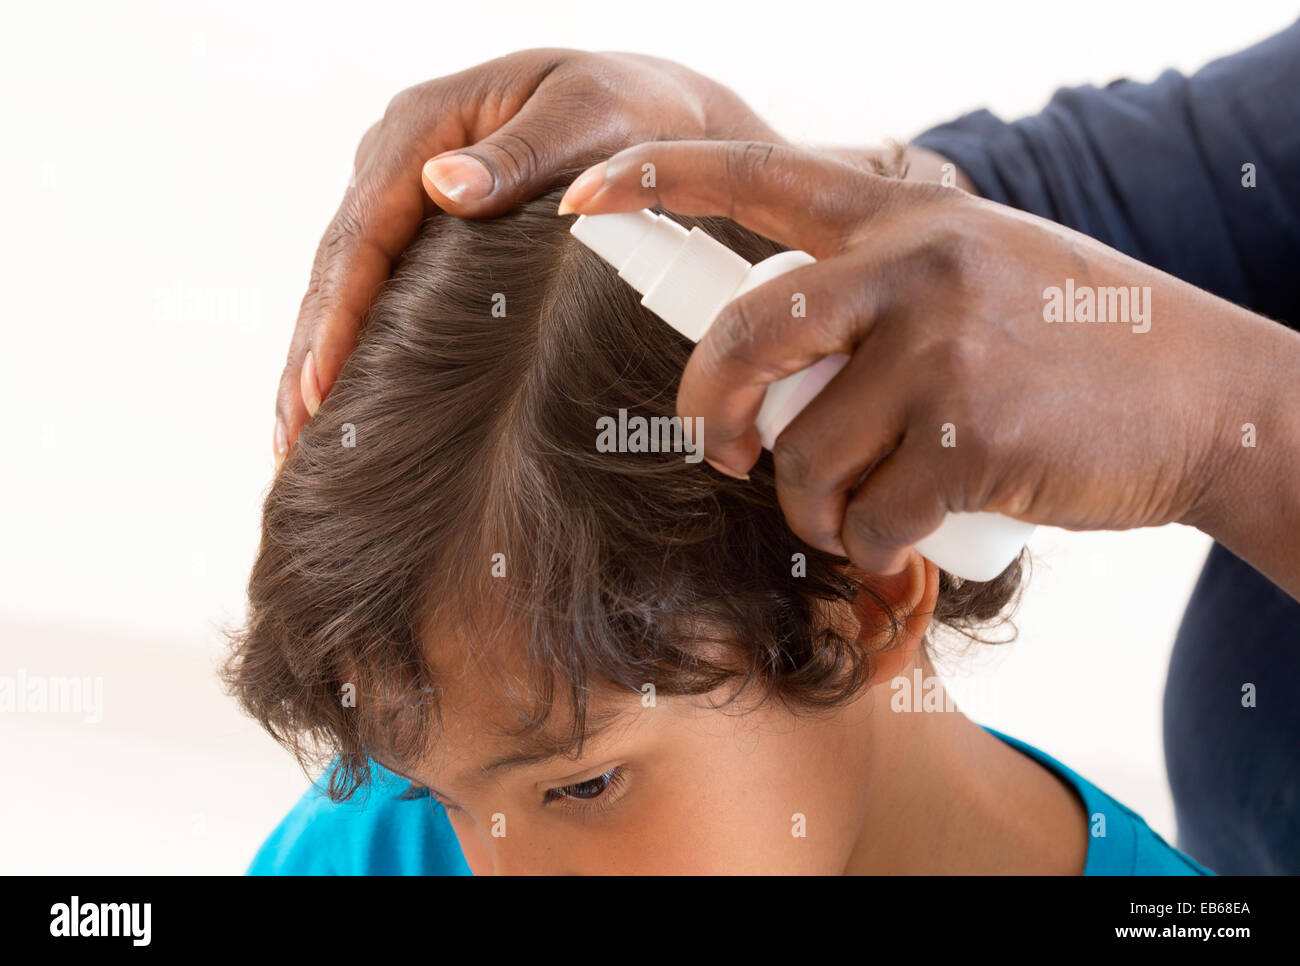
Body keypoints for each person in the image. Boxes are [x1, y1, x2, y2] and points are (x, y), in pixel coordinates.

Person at [268, 26, 1300, 873]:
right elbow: (1132, 187)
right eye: (440, 793)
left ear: (860, 606)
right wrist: (762, 181)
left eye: (583, 786)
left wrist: (1223, 425)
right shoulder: (385, 844)